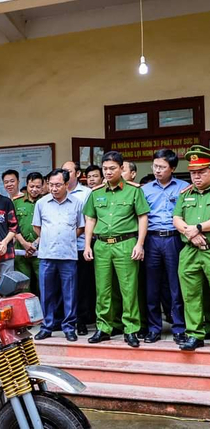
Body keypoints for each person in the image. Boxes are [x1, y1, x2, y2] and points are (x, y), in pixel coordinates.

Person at [83, 151, 150, 348]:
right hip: (102, 245)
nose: (108, 172)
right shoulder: (96, 193)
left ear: (122, 169)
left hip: (126, 243)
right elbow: (90, 219)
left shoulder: (134, 191)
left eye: (112, 168)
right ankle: (104, 328)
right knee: (103, 289)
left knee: (128, 289)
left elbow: (142, 217)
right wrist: (88, 244)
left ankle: (131, 329)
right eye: (105, 169)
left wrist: (140, 243)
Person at [32, 169, 85, 342]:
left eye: (58, 185)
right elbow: (37, 227)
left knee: (70, 293)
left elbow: (80, 227)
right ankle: (47, 327)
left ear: (66, 184)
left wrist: (67, 238)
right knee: (47, 293)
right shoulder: (41, 203)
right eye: (51, 185)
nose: (54, 188)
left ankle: (69, 327)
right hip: (47, 255)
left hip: (68, 256)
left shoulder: (76, 203)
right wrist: (49, 238)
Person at [141, 149, 188, 344]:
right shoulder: (145, 190)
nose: (157, 170)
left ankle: (179, 328)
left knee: (175, 285)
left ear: (173, 168)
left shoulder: (184, 188)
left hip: (173, 239)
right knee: (151, 286)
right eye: (155, 166)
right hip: (151, 240)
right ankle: (154, 328)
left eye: (162, 167)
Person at [172, 145, 210, 351]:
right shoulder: (186, 193)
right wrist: (190, 233)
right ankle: (195, 334)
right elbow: (176, 217)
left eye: (201, 172)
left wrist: (197, 228)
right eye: (193, 172)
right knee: (191, 293)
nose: (196, 176)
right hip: (189, 250)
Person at [61, 161, 93, 335]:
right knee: (65, 287)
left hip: (80, 246)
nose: (65, 173)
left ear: (78, 174)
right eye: (63, 170)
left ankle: (81, 321)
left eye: (69, 171)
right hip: (61, 249)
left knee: (81, 287)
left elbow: (89, 219)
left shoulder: (87, 193)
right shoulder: (59, 191)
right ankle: (65, 320)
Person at [13, 172, 44, 294]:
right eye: (31, 186)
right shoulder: (17, 202)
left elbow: (49, 226)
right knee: (23, 286)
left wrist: (35, 244)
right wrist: (25, 244)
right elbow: (12, 225)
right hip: (21, 250)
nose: (34, 189)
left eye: (38, 187)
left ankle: (43, 312)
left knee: (43, 284)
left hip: (42, 250)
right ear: (26, 186)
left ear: (42, 187)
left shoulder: (46, 201)